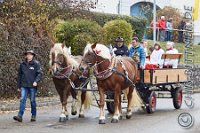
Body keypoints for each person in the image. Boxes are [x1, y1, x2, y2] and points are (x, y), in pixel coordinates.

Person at [13, 50, 42, 122]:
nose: (29, 56)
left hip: (32, 86)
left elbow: (39, 74)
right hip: (24, 85)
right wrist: (19, 86)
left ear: (33, 56)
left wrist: (36, 81)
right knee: (22, 99)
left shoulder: (36, 64)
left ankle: (33, 115)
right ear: (26, 56)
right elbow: (19, 75)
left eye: (30, 55)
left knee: (32, 101)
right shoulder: (22, 64)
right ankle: (20, 116)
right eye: (28, 55)